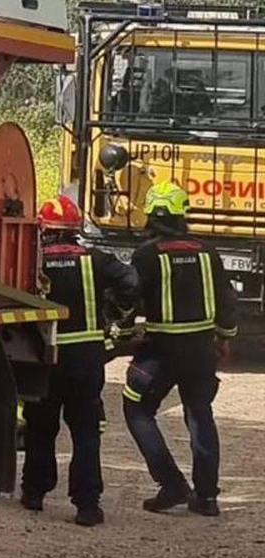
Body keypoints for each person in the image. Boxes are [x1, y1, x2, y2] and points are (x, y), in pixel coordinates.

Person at [123, 180, 242, 516]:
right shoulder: (208, 252)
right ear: (181, 214)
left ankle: (171, 484)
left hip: (160, 350)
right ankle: (206, 498)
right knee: (200, 414)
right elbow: (226, 300)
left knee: (136, 409)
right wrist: (224, 337)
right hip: (201, 350)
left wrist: (121, 332)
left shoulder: (146, 255)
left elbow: (129, 299)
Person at [22, 194, 137, 526]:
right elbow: (130, 281)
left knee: (41, 427)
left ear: (45, 229)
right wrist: (115, 314)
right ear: (74, 228)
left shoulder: (34, 259)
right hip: (86, 359)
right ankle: (87, 505)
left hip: (45, 357)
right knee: (86, 431)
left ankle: (34, 492)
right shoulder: (95, 259)